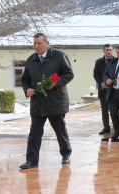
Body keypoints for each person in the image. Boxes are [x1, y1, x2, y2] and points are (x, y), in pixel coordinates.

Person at [20, 33, 74, 169]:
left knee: (60, 131)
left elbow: (69, 74)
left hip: (56, 102)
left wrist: (55, 84)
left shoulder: (58, 56)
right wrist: (27, 90)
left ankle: (66, 153)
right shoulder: (31, 60)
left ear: (47, 43)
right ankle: (31, 161)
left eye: (39, 43)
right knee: (34, 133)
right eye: (34, 44)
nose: (36, 46)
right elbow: (25, 79)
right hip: (37, 103)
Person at [94, 44, 114, 135]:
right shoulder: (99, 62)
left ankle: (116, 127)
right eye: (107, 50)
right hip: (102, 90)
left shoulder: (116, 61)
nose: (108, 51)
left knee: (114, 110)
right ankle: (106, 127)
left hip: (113, 90)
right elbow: (96, 74)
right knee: (104, 110)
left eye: (110, 50)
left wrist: (111, 83)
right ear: (103, 51)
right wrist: (101, 82)